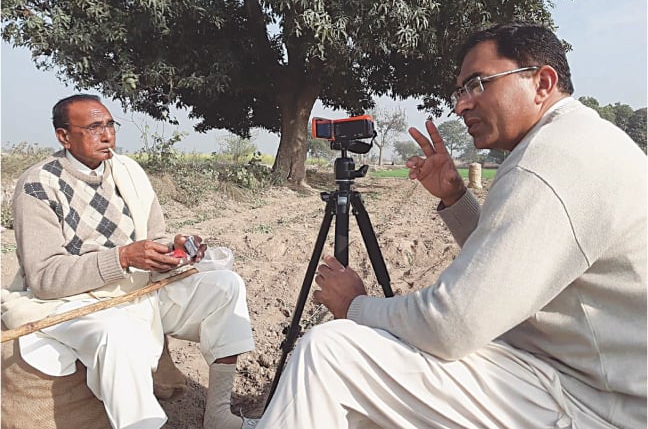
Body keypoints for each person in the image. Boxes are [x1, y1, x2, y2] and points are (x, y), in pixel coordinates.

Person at [257, 23, 647, 428]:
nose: (461, 106)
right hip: (572, 375)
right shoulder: (576, 140)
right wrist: (455, 196)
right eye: (459, 91)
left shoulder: (551, 160)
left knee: (329, 354)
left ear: (542, 82)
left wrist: (354, 306)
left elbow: (453, 324)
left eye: (478, 84)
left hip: (593, 403)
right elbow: (508, 260)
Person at [1, 94, 258, 429]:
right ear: (64, 136)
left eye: (110, 125)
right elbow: (46, 278)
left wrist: (173, 250)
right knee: (115, 333)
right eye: (94, 127)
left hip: (136, 288)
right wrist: (122, 258)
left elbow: (154, 237)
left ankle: (219, 415)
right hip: (72, 302)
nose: (107, 135)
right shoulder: (38, 185)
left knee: (225, 285)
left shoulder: (129, 172)